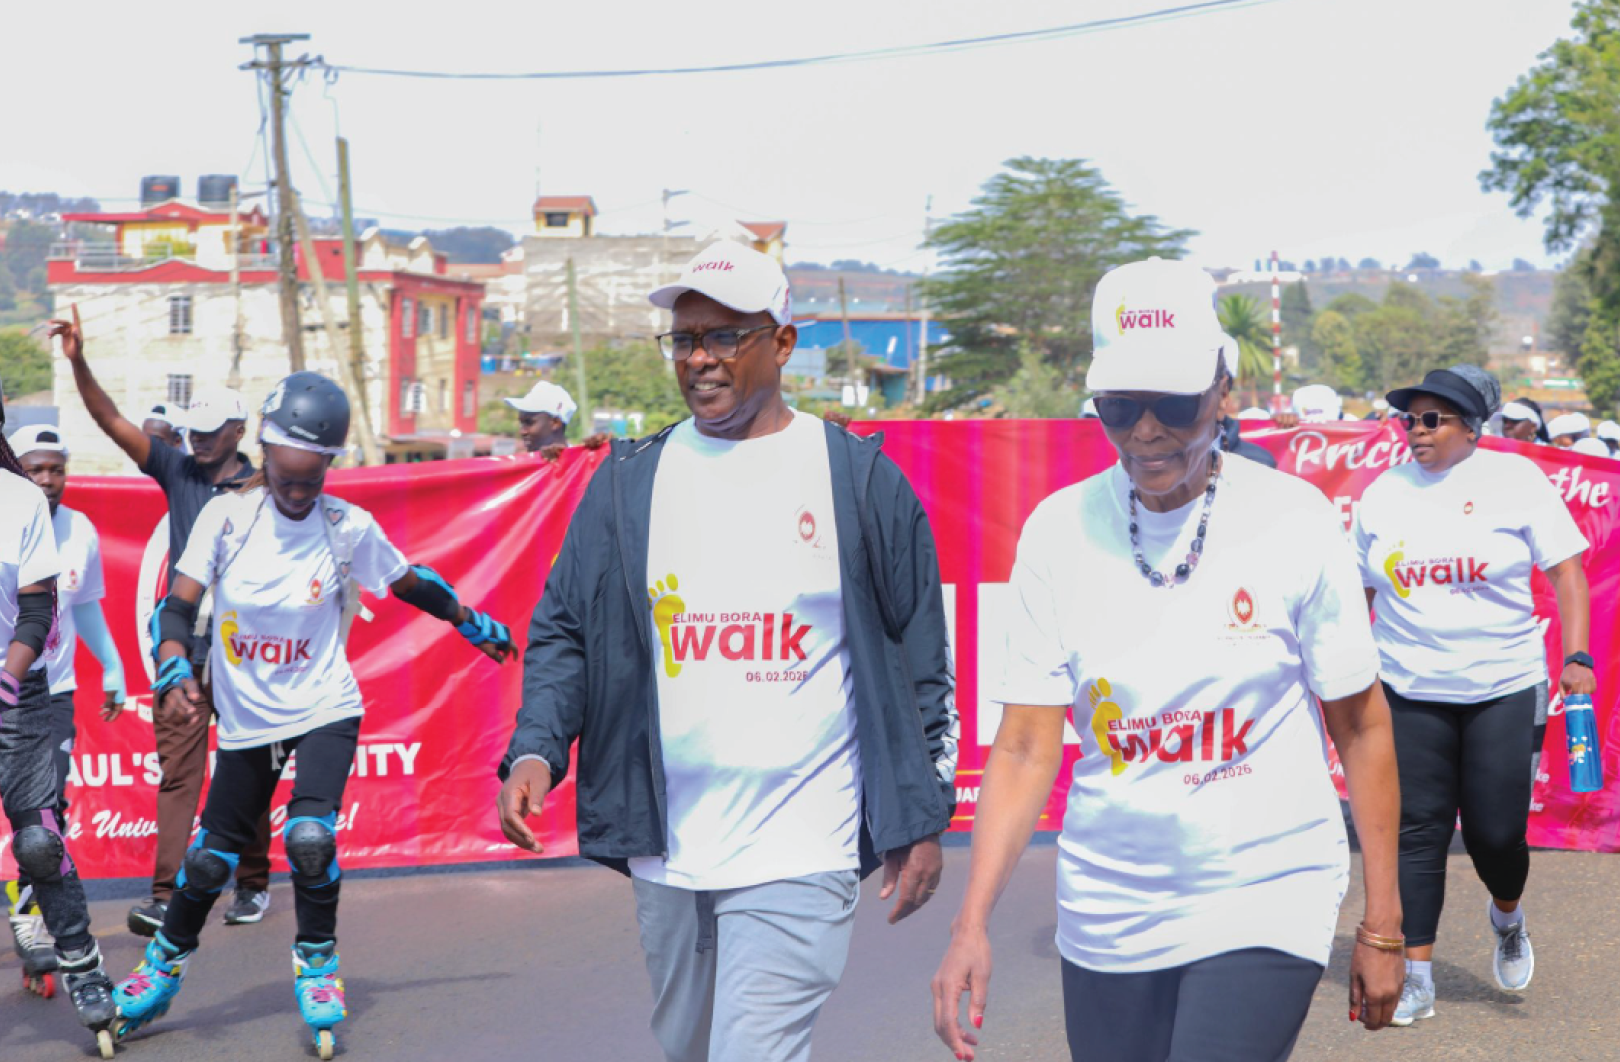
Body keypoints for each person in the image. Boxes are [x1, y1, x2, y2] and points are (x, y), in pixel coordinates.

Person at [932, 257, 1404, 1062]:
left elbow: (1361, 728)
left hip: (1265, 885)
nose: (1145, 429)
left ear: (1224, 391)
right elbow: (1021, 745)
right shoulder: (1057, 529)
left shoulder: (1295, 521)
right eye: (1119, 405)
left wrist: (1384, 922)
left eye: (1173, 403)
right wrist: (970, 922)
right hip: (1107, 907)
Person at [497, 240, 958, 1062]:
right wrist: (536, 748)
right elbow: (565, 627)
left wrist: (924, 818)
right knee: (689, 1048)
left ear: (783, 342)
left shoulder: (856, 481)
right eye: (684, 339)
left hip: (803, 843)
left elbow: (921, 663)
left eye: (725, 337)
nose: (700, 358)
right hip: (668, 848)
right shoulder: (629, 483)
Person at [109, 372, 517, 1057]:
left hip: (325, 703)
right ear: (264, 454)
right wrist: (174, 659)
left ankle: (318, 966)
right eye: (287, 478)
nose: (298, 494)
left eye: (312, 480)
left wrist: (466, 619)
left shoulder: (344, 525)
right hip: (250, 718)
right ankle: (160, 970)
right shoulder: (227, 519)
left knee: (308, 837)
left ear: (330, 466)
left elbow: (408, 579)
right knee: (210, 861)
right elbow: (175, 605)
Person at [1354, 365, 1592, 1026]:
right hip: (1410, 687)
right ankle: (1418, 976)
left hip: (1501, 685)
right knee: (1419, 830)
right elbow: (1359, 591)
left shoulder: (1515, 483)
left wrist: (1576, 655)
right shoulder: (1384, 493)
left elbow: (1567, 571)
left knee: (1495, 836)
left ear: (1469, 427)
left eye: (1432, 420)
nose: (1416, 432)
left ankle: (1507, 916)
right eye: (1409, 419)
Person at [52, 306, 273, 936]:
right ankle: (164, 894)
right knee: (179, 769)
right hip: (182, 643)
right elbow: (110, 420)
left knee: (248, 760)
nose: (197, 439)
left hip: (249, 646)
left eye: (209, 431)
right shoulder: (177, 468)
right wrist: (78, 362)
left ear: (238, 430)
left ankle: (253, 884)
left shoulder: (266, 485)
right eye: (192, 430)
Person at [0, 386, 117, 1056]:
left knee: (40, 842)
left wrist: (9, 677)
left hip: (19, 688)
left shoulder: (19, 500)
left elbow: (41, 611)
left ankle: (83, 969)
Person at [502, 380, 609, 461]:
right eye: (522, 424)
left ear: (555, 423)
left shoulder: (582, 463)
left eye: (529, 422)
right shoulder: (521, 468)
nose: (522, 431)